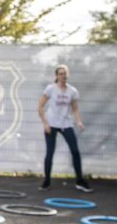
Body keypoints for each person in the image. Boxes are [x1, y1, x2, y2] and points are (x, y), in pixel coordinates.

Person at [37, 64, 93, 192]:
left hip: (66, 124)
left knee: (75, 151)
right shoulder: (51, 89)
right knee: (50, 153)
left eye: (65, 73)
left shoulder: (72, 91)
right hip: (51, 123)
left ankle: (80, 181)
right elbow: (40, 106)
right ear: (57, 76)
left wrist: (79, 122)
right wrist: (45, 123)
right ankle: (46, 181)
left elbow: (75, 108)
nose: (63, 76)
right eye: (61, 74)